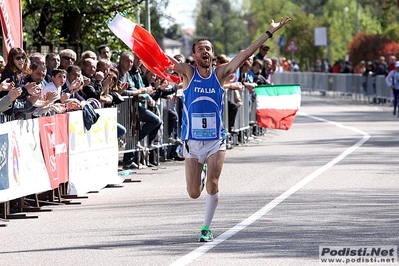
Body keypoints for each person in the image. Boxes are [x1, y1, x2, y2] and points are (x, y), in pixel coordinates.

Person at [167, 16, 291, 242]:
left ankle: (206, 228)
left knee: (214, 184)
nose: (205, 51)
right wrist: (138, 42)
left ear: (212, 55)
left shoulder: (220, 73)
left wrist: (269, 32)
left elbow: (245, 54)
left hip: (216, 139)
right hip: (192, 141)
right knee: (194, 193)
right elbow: (161, 58)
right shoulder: (188, 72)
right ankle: (200, 175)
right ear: (194, 55)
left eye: (209, 49)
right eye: (201, 49)